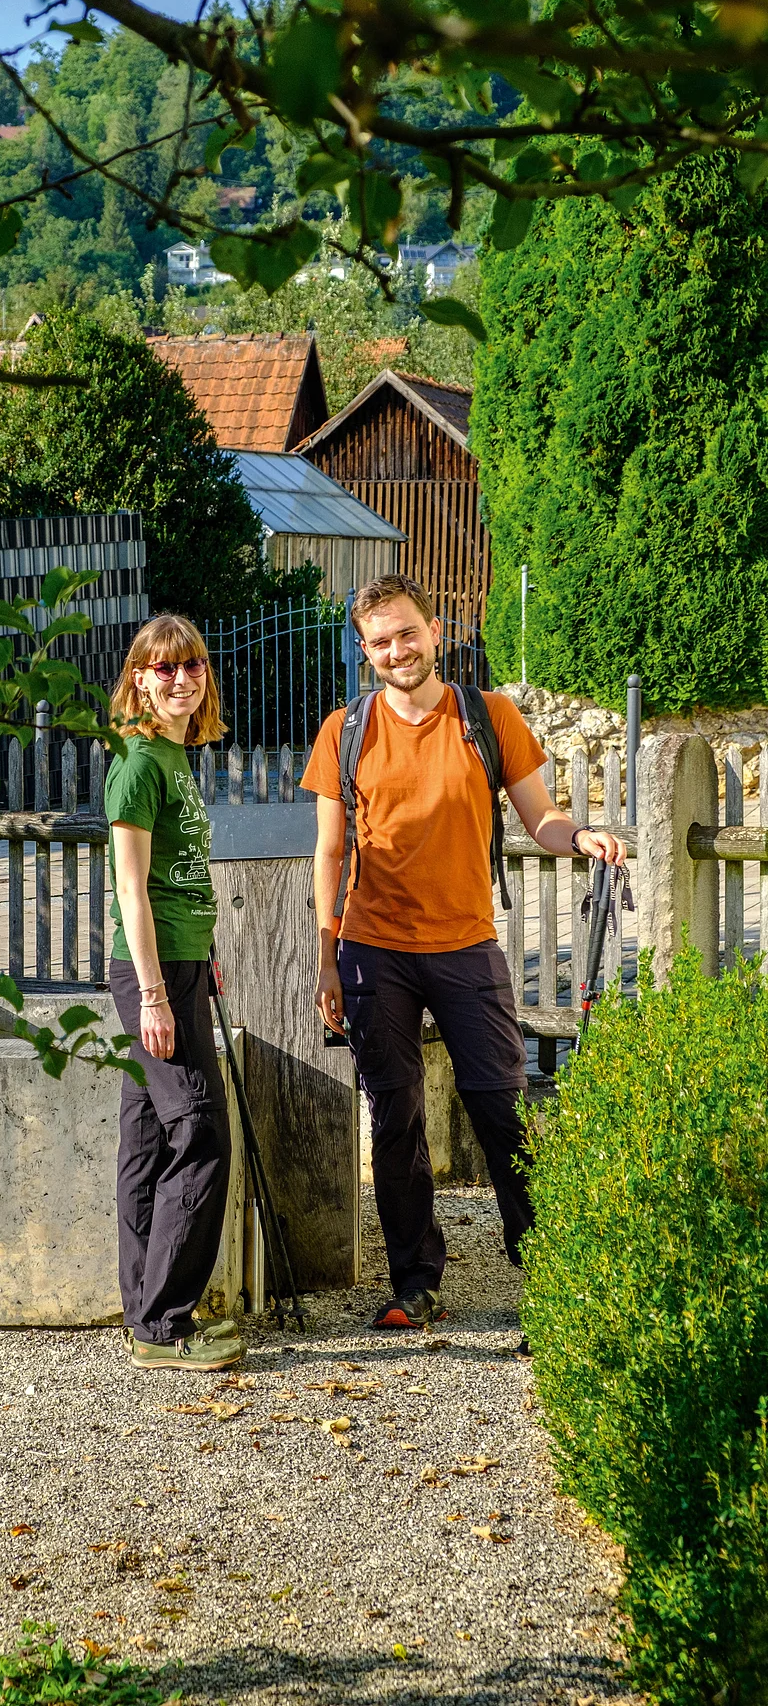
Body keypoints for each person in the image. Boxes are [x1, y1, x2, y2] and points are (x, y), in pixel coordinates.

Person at [303, 574, 626, 1331]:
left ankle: (551, 1275)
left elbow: (541, 818)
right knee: (395, 1118)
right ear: (364, 651)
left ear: (436, 631)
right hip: (372, 951)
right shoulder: (344, 731)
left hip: (467, 946)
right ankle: (416, 1282)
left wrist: (580, 837)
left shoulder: (489, 717)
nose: (396, 651)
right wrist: (325, 959)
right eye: (380, 642)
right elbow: (328, 854)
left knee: (501, 1108)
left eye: (406, 633)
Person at [106, 614, 245, 1373]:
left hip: (179, 963)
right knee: (201, 1132)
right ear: (138, 678)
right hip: (150, 971)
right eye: (164, 669)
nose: (181, 679)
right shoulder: (137, 765)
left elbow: (177, 883)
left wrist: (202, 959)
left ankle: (144, 1311)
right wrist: (157, 994)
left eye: (192, 666)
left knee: (149, 1137)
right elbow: (131, 890)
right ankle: (164, 1323)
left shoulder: (174, 756)